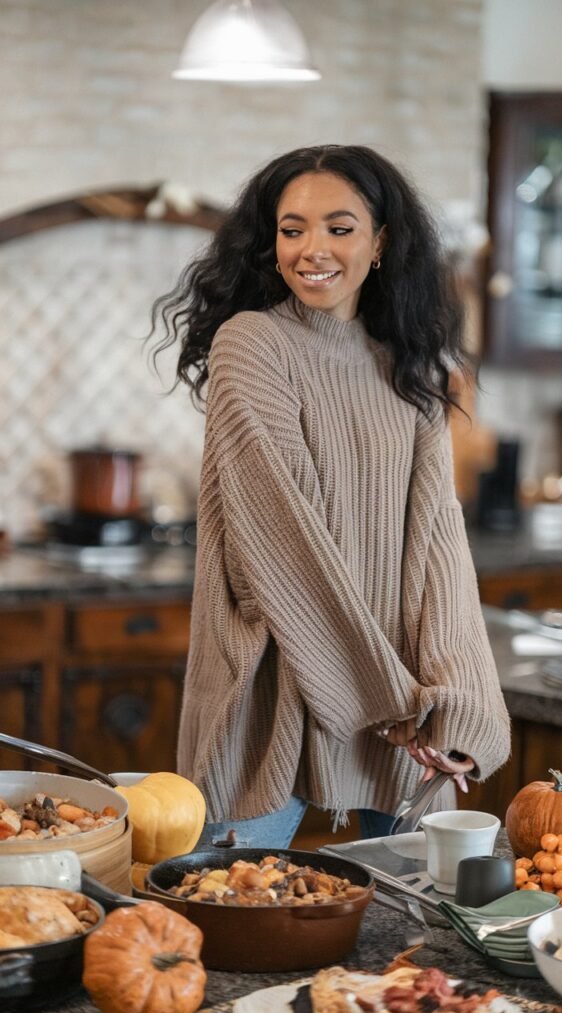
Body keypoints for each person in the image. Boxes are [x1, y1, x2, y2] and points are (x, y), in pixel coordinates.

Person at [152, 144, 510, 847]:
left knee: (415, 939)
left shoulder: (410, 371)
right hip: (272, 695)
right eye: (293, 230)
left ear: (380, 243)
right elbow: (288, 547)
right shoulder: (252, 345)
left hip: (399, 715)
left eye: (339, 228)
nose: (312, 249)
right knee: (228, 922)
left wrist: (459, 708)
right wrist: (396, 706)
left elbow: (440, 549)